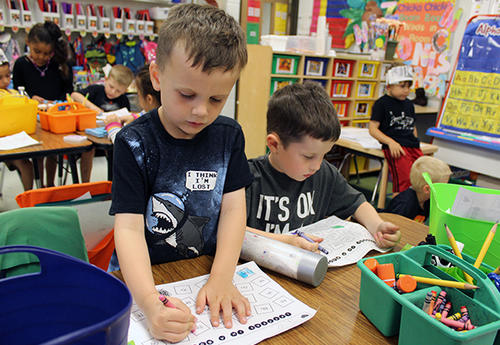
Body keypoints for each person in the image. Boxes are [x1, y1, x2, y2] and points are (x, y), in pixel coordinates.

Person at [109, 4, 252, 343]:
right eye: (187, 94)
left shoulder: (228, 136)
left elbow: (233, 210)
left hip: (201, 269)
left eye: (217, 99)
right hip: (146, 276)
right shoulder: (134, 143)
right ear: (157, 77)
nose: (201, 111)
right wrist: (149, 303)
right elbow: (128, 229)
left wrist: (221, 277)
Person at [245, 82, 401, 253]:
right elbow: (231, 231)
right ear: (274, 145)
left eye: (324, 154)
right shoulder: (246, 177)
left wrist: (377, 226)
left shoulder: (324, 174)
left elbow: (357, 204)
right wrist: (285, 242)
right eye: (308, 156)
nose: (317, 166)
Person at [12, 21, 73, 187]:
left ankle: (50, 186)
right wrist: (31, 99)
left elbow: (68, 91)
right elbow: (18, 92)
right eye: (36, 51)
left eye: (47, 53)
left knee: (53, 152)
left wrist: (57, 102)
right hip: (31, 118)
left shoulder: (59, 64)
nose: (41, 57)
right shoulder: (21, 65)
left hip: (55, 117)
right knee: (38, 153)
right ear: (28, 42)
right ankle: (39, 190)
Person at [369, 65, 423, 194]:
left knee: (423, 175)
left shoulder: (409, 104)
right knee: (404, 180)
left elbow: (412, 126)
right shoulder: (382, 103)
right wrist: (390, 142)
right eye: (402, 86)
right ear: (389, 86)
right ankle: (400, 208)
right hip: (395, 147)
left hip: (412, 146)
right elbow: (373, 129)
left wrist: (415, 141)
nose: (406, 90)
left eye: (408, 87)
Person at [0, 48, 33, 191]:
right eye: (0, 78)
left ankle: (30, 200)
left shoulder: (14, 93)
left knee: (27, 164)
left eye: (8, 75)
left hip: (15, 141)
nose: (6, 81)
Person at [103, 64, 160, 143]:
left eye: (138, 94)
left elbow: (125, 145)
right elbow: (148, 114)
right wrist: (135, 117)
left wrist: (113, 127)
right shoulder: (167, 114)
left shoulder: (152, 127)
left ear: (149, 99)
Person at [384, 156, 451, 222]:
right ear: (427, 189)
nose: (446, 189)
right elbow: (392, 227)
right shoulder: (405, 205)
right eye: (443, 186)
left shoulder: (427, 200)